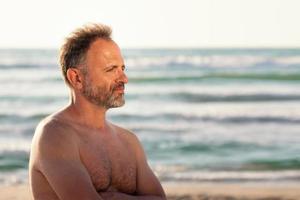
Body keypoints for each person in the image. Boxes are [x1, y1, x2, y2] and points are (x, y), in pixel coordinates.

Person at [29, 23, 166, 200]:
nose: (124, 78)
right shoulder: (54, 135)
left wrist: (116, 198)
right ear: (76, 78)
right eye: (111, 70)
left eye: (122, 68)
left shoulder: (129, 142)